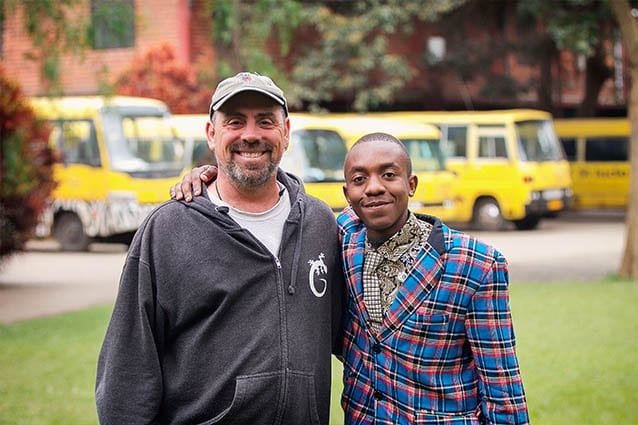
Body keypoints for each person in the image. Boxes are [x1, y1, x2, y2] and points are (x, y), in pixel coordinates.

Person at [173, 134, 529, 424]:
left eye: (388, 175)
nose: (373, 188)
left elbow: (503, 390)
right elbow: (271, 205)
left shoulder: (478, 265)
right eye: (359, 180)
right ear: (347, 194)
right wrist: (210, 176)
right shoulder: (338, 236)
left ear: (412, 183)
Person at [96, 72, 344, 425]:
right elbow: (128, 366)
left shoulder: (320, 223)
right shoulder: (169, 229)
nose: (251, 135)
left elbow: (352, 333)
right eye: (235, 121)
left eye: (265, 121)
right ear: (212, 134)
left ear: (285, 132)